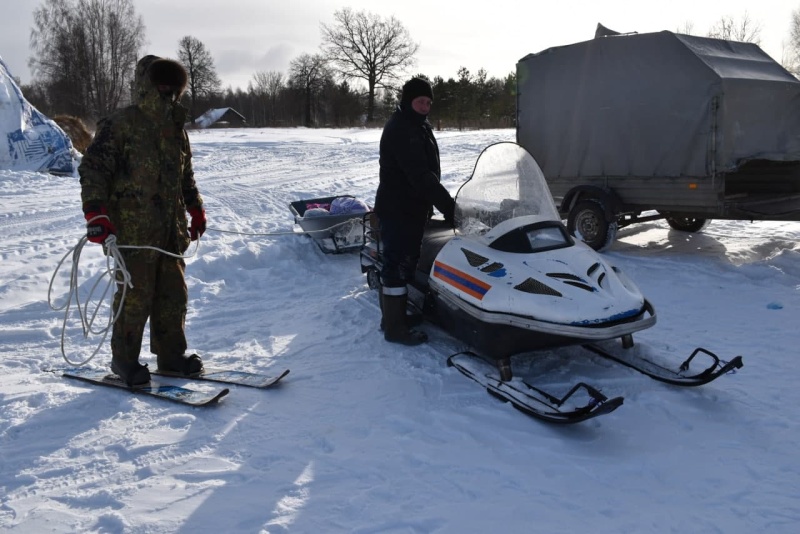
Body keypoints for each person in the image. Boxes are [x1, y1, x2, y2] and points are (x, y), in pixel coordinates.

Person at [78, 55, 206, 386]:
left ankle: (171, 356)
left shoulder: (177, 128)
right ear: (146, 86)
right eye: (160, 85)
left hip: (170, 231)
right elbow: (93, 169)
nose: (166, 92)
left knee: (173, 295)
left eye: (172, 87)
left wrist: (196, 209)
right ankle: (124, 361)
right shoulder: (121, 123)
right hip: (132, 232)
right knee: (135, 297)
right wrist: (96, 213)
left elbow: (185, 176)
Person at [374, 77, 456, 346]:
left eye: (429, 102)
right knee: (396, 264)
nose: (425, 106)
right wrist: (449, 207)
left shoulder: (419, 126)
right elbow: (421, 176)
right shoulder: (401, 129)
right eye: (420, 101)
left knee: (406, 261)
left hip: (413, 207)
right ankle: (394, 328)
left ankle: (394, 319)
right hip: (398, 207)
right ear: (408, 100)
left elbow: (427, 173)